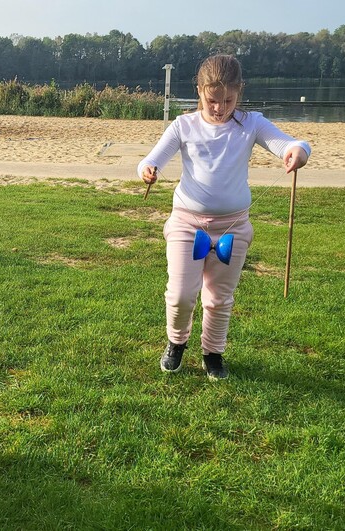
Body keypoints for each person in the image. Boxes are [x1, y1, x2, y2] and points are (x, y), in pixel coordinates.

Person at [137, 54, 311, 381]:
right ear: (199, 91)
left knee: (219, 299)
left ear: (239, 92)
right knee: (180, 294)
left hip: (233, 228)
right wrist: (147, 170)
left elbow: (293, 144)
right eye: (211, 100)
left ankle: (213, 352)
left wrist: (297, 152)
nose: (219, 108)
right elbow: (151, 159)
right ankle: (176, 342)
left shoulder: (252, 123)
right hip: (187, 225)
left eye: (227, 100)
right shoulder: (183, 125)